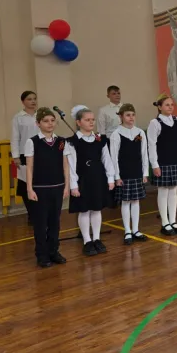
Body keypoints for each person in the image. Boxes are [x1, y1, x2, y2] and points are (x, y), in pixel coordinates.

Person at [25, 107, 72, 268]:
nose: (50, 123)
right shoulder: (32, 142)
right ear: (38, 123)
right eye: (46, 121)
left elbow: (65, 165)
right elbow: (29, 167)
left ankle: (53, 251)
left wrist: (66, 186)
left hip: (58, 186)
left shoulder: (61, 142)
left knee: (55, 222)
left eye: (52, 120)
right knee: (40, 223)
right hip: (40, 188)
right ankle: (42, 254)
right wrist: (30, 189)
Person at [67, 106, 115, 257]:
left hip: (98, 177)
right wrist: (73, 185)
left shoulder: (100, 139)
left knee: (97, 209)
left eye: (92, 119)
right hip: (83, 179)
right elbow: (71, 165)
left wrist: (110, 178)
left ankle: (97, 238)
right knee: (84, 209)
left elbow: (106, 159)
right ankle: (87, 240)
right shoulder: (73, 142)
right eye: (87, 120)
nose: (91, 122)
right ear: (78, 122)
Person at [147, 93, 177, 236]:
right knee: (163, 191)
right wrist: (155, 165)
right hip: (162, 162)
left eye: (171, 105)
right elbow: (151, 145)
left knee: (173, 191)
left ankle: (173, 220)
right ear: (159, 107)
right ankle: (165, 222)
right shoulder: (155, 123)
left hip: (175, 160)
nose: (170, 107)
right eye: (167, 105)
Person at [110, 104, 149, 245]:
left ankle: (136, 229)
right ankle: (127, 230)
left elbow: (144, 154)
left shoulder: (140, 132)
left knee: (136, 201)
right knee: (126, 202)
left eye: (133, 115)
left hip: (137, 171)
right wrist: (117, 176)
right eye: (127, 115)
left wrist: (145, 173)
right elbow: (114, 157)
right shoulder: (116, 134)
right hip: (124, 173)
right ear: (121, 116)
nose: (131, 117)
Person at [11, 90, 39, 225]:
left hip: (40, 153)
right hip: (24, 154)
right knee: (25, 184)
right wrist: (16, 156)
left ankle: (40, 212)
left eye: (34, 99)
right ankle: (31, 213)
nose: (33, 101)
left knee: (39, 183)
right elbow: (15, 137)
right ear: (23, 101)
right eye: (29, 99)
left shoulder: (41, 115)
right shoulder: (18, 117)